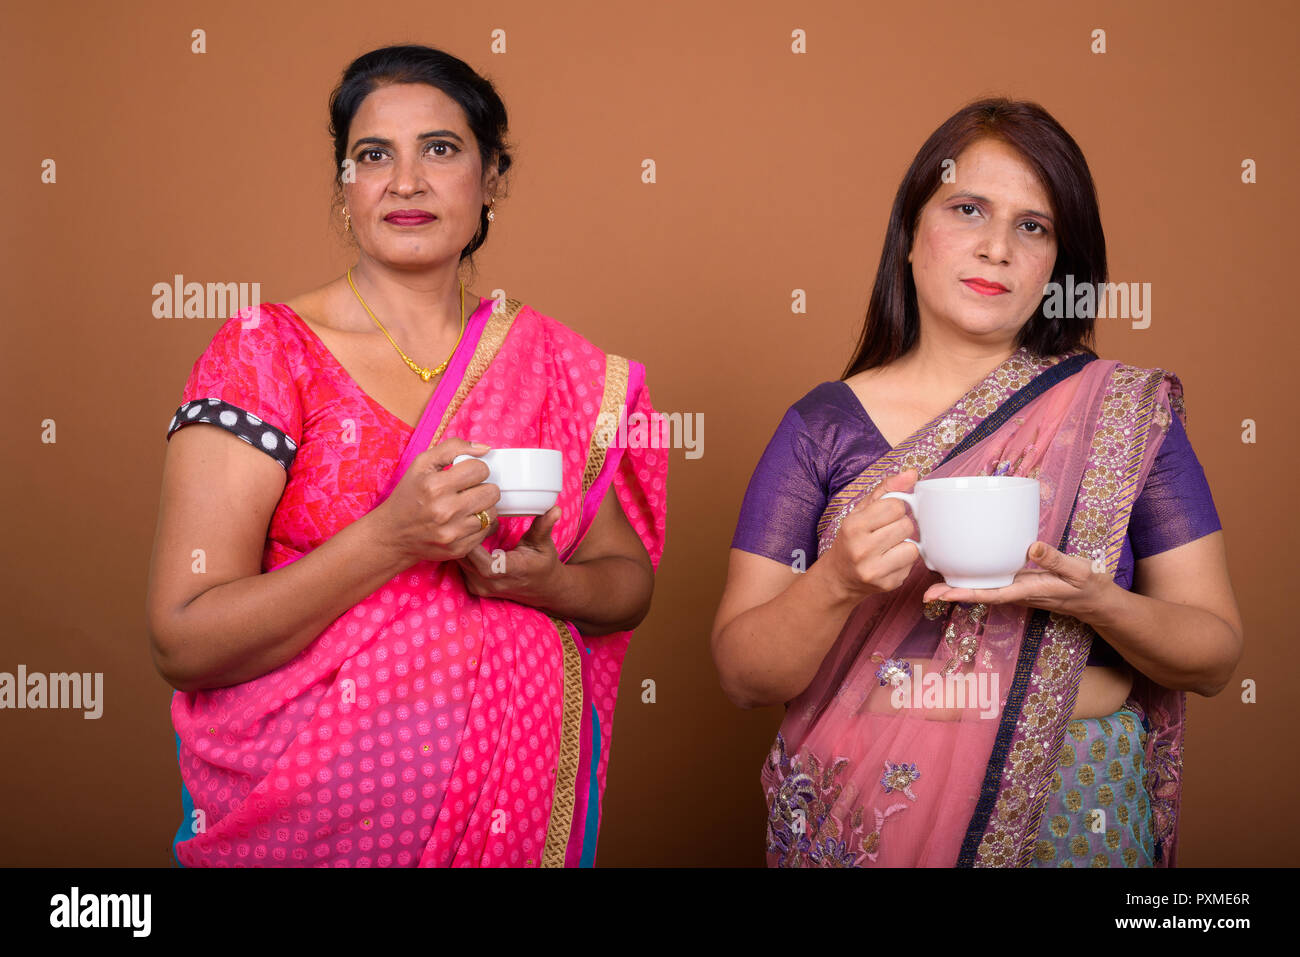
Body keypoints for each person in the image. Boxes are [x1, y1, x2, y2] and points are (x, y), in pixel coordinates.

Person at [147, 44, 667, 867]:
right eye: (373, 155)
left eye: (441, 148)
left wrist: (551, 584)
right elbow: (183, 638)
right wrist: (392, 537)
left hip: (511, 821)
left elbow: (626, 583)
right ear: (345, 183)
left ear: (492, 176)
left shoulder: (551, 365)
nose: (406, 181)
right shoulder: (266, 351)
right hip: (303, 826)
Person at [711, 98, 1241, 868]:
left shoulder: (1120, 414)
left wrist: (1100, 603)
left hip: (1078, 809)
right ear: (909, 234)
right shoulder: (822, 428)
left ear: (1062, 264)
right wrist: (835, 582)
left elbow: (1216, 653)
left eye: (1033, 226)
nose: (996, 247)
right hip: (871, 815)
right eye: (968, 209)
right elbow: (740, 672)